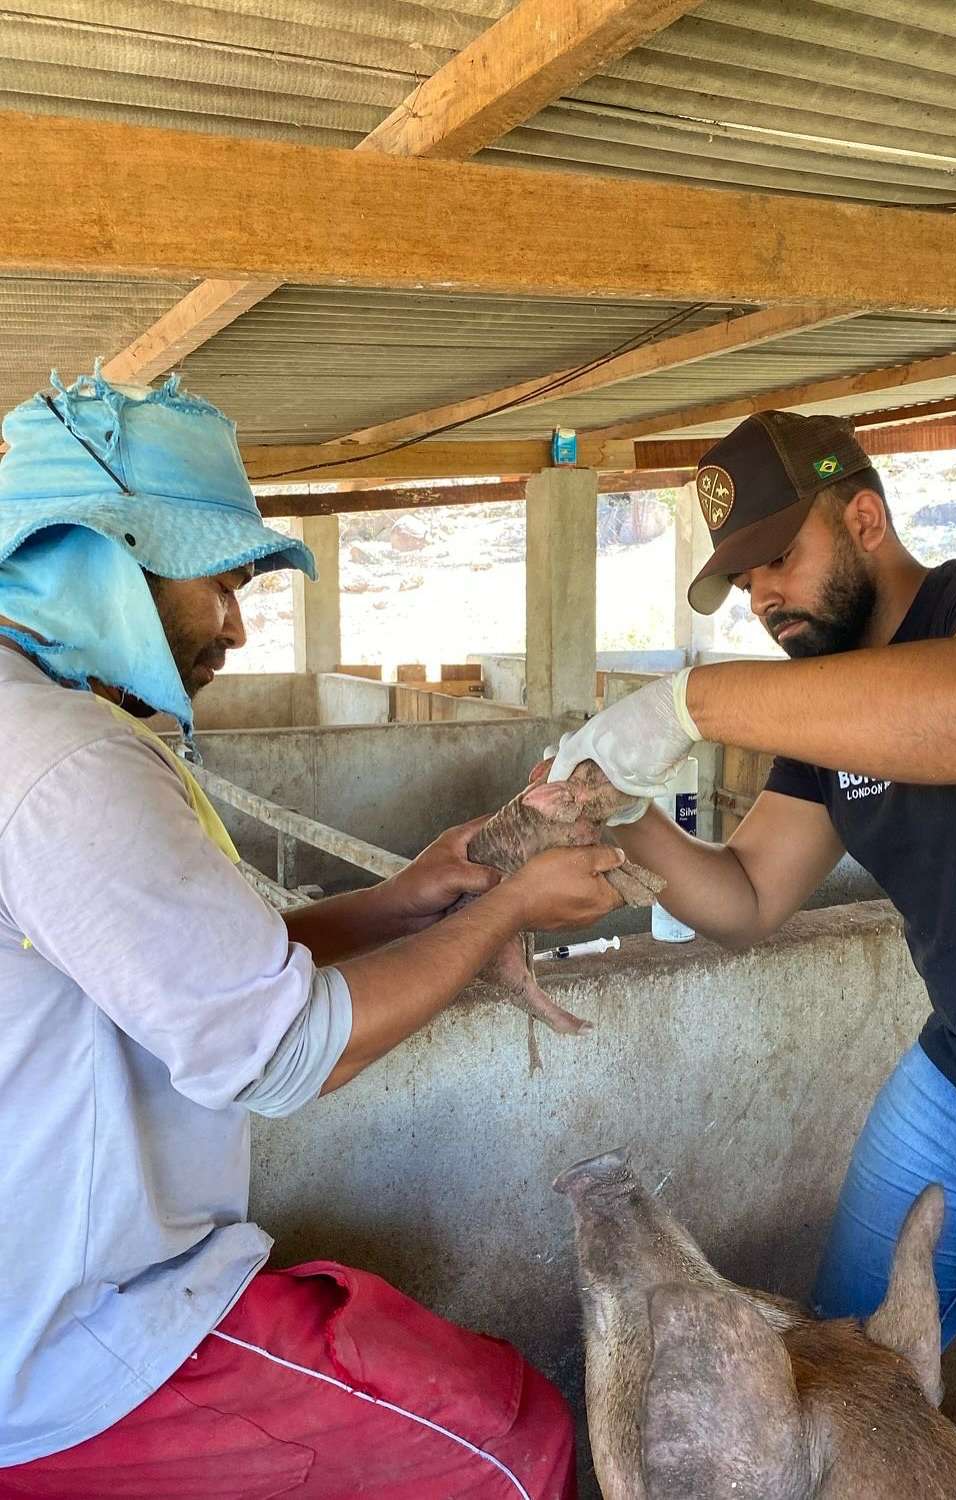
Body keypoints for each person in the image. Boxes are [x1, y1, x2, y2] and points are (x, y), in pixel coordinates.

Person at [549, 410, 956, 1500]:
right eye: (743, 580)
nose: (763, 597)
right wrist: (626, 816)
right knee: (839, 1365)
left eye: (778, 558)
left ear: (864, 518)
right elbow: (749, 895)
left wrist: (690, 701)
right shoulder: (828, 704)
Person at [0, 371, 622, 1498]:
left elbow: (173, 970)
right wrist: (509, 908)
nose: (237, 627)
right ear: (110, 554)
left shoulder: (25, 721)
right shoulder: (67, 759)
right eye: (221, 583)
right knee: (512, 1436)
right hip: (83, 1338)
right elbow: (283, 1054)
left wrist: (406, 898)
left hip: (40, 1292)